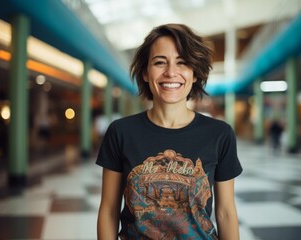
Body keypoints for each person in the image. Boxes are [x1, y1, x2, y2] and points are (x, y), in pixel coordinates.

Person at [96, 23, 243, 240]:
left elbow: (226, 213)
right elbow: (108, 210)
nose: (171, 72)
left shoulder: (220, 134)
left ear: (194, 74)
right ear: (145, 72)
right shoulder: (121, 132)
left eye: (182, 62)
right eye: (159, 62)